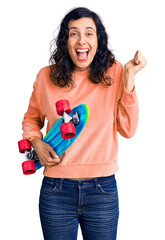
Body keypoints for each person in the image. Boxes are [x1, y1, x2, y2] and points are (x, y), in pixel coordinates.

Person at [21, 7, 147, 240]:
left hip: (102, 191)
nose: (82, 40)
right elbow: (31, 119)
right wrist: (36, 143)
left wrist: (129, 79)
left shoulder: (115, 71)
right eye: (74, 33)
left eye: (89, 33)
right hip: (56, 190)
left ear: (98, 40)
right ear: (65, 41)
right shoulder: (45, 76)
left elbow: (128, 129)